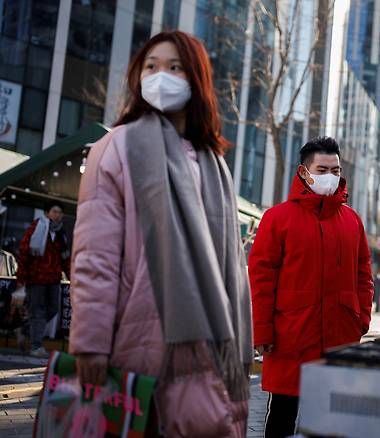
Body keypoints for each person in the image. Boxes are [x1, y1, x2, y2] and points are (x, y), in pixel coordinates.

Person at [69, 31, 252, 437]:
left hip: (209, 352)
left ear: (196, 79)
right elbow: (94, 256)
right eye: (151, 67)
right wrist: (90, 343)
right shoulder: (116, 147)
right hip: (139, 347)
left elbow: (233, 267)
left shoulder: (214, 163)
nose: (160, 77)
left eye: (174, 67)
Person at [249, 137, 374, 438]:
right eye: (323, 169)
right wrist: (261, 331)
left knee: (331, 421)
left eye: (336, 170)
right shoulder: (277, 218)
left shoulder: (352, 221)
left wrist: (362, 319)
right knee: (282, 415)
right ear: (304, 172)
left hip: (339, 336)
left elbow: (363, 275)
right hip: (291, 335)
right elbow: (261, 278)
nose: (330, 176)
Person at [16, 201, 70, 358]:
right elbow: (24, 253)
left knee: (52, 309)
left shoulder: (61, 234)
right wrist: (21, 278)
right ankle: (36, 346)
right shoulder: (35, 228)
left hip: (53, 279)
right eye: (55, 211)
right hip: (36, 277)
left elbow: (65, 257)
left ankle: (24, 329)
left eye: (60, 212)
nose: (58, 215)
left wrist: (71, 276)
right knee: (37, 312)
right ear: (47, 213)